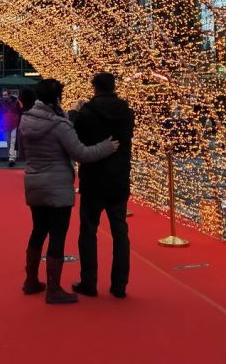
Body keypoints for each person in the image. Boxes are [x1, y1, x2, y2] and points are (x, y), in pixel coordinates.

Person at [19, 78, 118, 304]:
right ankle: (53, 289)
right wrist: (106, 147)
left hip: (34, 183)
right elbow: (80, 153)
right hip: (57, 187)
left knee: (38, 231)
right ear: (56, 98)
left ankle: (31, 280)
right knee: (57, 235)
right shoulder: (58, 126)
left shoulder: (26, 120)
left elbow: (23, 150)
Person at [70, 72, 135, 298]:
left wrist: (76, 114)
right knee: (120, 231)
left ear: (94, 87)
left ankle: (89, 282)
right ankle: (119, 285)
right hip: (119, 179)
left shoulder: (87, 113)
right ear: (114, 86)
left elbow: (76, 140)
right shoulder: (126, 112)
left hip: (94, 178)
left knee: (88, 230)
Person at [0, 90, 22, 167]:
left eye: (5, 95)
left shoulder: (16, 102)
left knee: (12, 141)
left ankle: (11, 158)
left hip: (13, 124)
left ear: (9, 95)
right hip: (6, 124)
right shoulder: (3, 103)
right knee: (9, 141)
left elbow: (20, 112)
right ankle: (11, 156)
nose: (4, 97)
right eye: (3, 95)